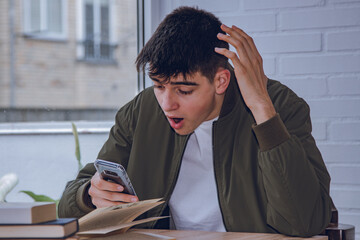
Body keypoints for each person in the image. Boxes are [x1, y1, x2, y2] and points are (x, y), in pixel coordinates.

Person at [58, 6, 332, 237]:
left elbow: (305, 221)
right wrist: (88, 194)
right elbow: (68, 204)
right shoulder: (141, 111)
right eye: (159, 86)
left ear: (221, 80)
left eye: (184, 90)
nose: (167, 104)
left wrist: (262, 108)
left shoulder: (280, 106)